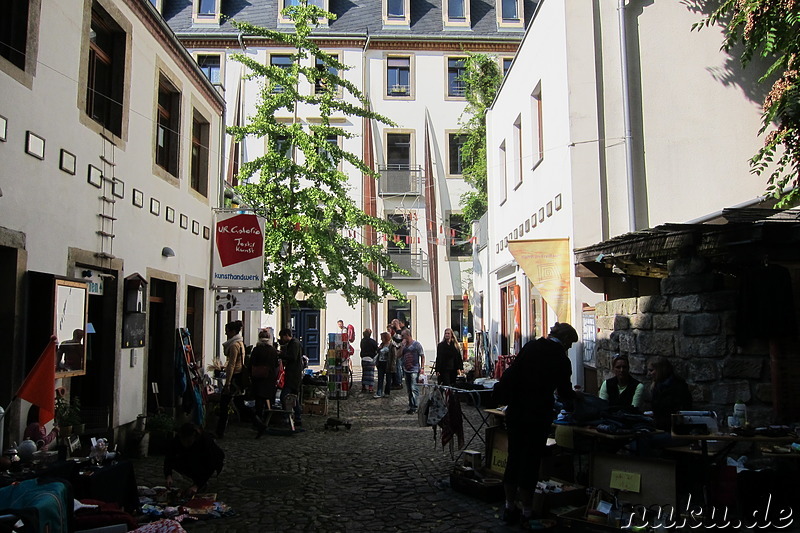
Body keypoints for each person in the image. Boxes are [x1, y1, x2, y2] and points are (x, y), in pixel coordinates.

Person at [494, 322, 578, 529]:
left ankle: (509, 506)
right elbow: (565, 392)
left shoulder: (531, 346)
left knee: (514, 458)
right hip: (538, 415)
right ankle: (527, 511)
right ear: (566, 340)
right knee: (530, 463)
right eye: (570, 345)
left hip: (516, 411)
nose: (568, 349)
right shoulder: (560, 358)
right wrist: (577, 400)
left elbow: (513, 374)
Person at [164, 423, 224, 497]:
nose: (185, 444)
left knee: (198, 467)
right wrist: (168, 475)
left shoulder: (205, 441)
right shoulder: (178, 439)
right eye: (183, 441)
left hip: (212, 460)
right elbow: (169, 457)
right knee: (179, 462)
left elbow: (210, 465)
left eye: (188, 441)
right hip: (191, 456)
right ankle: (195, 480)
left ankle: (200, 483)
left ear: (194, 436)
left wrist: (197, 485)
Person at [216, 320, 244, 438]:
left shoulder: (233, 345)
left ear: (233, 332)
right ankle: (259, 423)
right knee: (239, 404)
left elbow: (232, 364)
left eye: (227, 332)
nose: (226, 334)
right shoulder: (240, 343)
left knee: (224, 405)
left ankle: (220, 432)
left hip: (234, 377)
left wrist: (227, 383)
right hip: (238, 376)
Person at [648, 356, 692, 431]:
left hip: (674, 430)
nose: (649, 374)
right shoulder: (657, 386)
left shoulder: (678, 387)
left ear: (660, 370)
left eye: (651, 370)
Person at [250, 329, 280, 435]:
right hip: (270, 378)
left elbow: (251, 363)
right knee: (269, 399)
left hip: (258, 378)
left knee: (259, 400)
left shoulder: (256, 350)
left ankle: (258, 421)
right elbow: (276, 364)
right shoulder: (272, 350)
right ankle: (267, 420)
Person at [278, 328, 304, 428]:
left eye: (282, 337)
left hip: (293, 375)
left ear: (286, 335)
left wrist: (281, 355)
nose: (282, 339)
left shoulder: (294, 344)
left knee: (285, 397)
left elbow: (292, 357)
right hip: (293, 374)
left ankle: (287, 417)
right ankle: (297, 418)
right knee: (293, 398)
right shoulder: (294, 343)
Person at [400, 328, 425, 414]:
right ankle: (411, 405)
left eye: (403, 336)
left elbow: (422, 355)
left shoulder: (416, 345)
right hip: (406, 369)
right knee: (409, 389)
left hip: (414, 369)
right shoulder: (404, 345)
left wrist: (422, 368)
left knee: (414, 388)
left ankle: (416, 406)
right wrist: (402, 346)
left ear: (408, 335)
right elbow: (399, 355)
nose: (402, 337)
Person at [374, 331, 393, 398]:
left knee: (388, 379)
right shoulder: (382, 344)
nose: (381, 339)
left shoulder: (391, 345)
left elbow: (393, 355)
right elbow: (377, 352)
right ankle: (379, 392)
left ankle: (387, 392)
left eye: (382, 337)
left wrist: (393, 364)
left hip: (388, 363)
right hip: (381, 363)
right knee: (380, 378)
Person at [360, 329, 378, 393]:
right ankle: (370, 387)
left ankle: (364, 387)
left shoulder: (362, 341)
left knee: (364, 373)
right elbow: (376, 349)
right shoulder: (372, 341)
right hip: (370, 359)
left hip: (364, 358)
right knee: (370, 374)